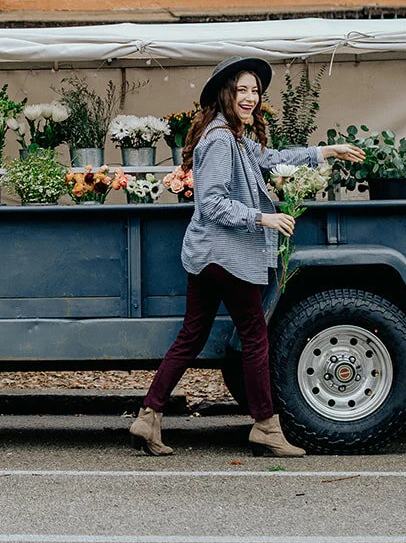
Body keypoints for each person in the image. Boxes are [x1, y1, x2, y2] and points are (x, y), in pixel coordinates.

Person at [130, 56, 364, 458]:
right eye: (242, 90)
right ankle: (266, 427)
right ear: (226, 94)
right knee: (255, 338)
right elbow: (213, 202)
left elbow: (271, 159)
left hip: (208, 256)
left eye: (255, 91)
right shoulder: (221, 140)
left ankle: (148, 415)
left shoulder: (233, 137)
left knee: (191, 337)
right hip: (227, 256)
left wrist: (326, 151)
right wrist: (263, 218)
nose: (250, 98)